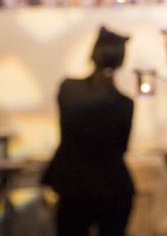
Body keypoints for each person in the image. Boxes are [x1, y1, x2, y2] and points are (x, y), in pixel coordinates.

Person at [42, 26, 134, 236]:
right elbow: (122, 147)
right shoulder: (124, 103)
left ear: (93, 54)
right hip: (114, 187)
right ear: (121, 61)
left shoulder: (68, 89)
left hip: (73, 186)